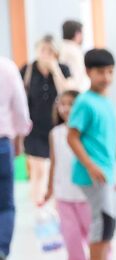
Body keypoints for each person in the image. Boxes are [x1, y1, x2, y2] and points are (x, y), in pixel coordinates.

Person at [67, 48, 116, 260]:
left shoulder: (105, 101)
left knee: (108, 223)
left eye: (109, 72)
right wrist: (91, 166)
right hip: (92, 175)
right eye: (100, 72)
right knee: (102, 223)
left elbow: (109, 140)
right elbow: (72, 137)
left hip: (105, 173)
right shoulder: (84, 102)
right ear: (88, 72)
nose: (106, 77)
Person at [42, 90, 88, 260]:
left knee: (91, 230)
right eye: (62, 104)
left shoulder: (86, 131)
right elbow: (53, 162)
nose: (66, 108)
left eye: (71, 104)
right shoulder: (56, 133)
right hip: (64, 194)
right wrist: (49, 188)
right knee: (71, 235)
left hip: (85, 193)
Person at [21, 36, 72, 209]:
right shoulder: (28, 70)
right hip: (33, 128)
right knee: (39, 171)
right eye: (43, 50)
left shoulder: (63, 69)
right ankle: (39, 207)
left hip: (56, 128)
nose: (46, 54)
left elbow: (67, 93)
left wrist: (55, 70)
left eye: (50, 51)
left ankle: (56, 208)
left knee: (57, 169)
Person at [0, 55, 32, 260]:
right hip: (2, 143)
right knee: (5, 205)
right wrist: (20, 135)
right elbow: (20, 108)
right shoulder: (7, 67)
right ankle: (0, 250)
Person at [59, 20, 88, 93]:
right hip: (74, 93)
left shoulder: (59, 48)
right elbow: (78, 79)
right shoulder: (75, 51)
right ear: (77, 34)